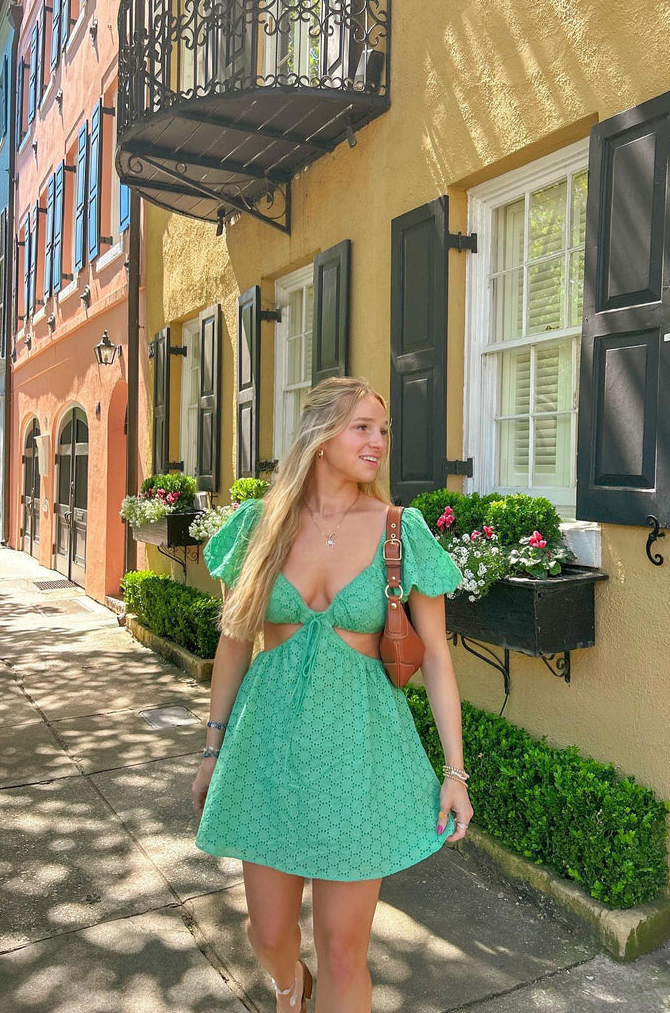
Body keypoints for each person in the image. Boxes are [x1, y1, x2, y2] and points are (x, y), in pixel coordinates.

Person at [192, 376, 474, 1013]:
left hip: (360, 754)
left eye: (384, 431)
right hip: (268, 753)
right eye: (362, 428)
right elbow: (235, 641)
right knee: (267, 936)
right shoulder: (260, 526)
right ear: (320, 438)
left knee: (344, 947)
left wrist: (454, 772)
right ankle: (291, 989)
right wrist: (211, 750)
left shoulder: (402, 529)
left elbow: (435, 658)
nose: (378, 442)